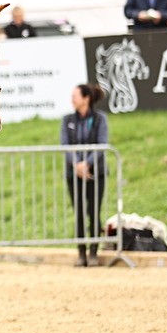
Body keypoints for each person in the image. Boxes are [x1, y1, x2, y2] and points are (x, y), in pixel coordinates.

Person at [61, 84, 108, 267]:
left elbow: (102, 144)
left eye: (75, 96)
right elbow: (65, 145)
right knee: (79, 213)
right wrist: (77, 165)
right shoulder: (67, 120)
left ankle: (94, 253)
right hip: (74, 175)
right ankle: (81, 253)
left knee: (93, 212)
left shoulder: (99, 119)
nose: (72, 99)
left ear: (86, 98)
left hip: (96, 173)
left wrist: (87, 163)